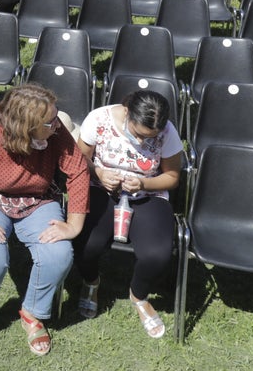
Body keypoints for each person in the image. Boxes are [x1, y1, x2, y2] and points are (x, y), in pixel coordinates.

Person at [0, 84, 89, 355]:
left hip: (38, 200)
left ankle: (33, 312)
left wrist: (74, 224)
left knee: (58, 255)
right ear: (26, 126)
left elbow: (78, 171)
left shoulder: (55, 132)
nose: (57, 124)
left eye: (56, 117)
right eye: (50, 121)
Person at [72, 90, 182, 339]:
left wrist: (144, 184)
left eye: (150, 138)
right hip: (101, 189)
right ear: (127, 113)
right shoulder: (99, 119)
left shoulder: (168, 131)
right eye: (139, 134)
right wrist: (99, 173)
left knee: (157, 254)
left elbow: (173, 177)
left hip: (148, 194)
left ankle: (138, 295)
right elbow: (79, 159)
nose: (144, 143)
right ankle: (91, 281)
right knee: (86, 244)